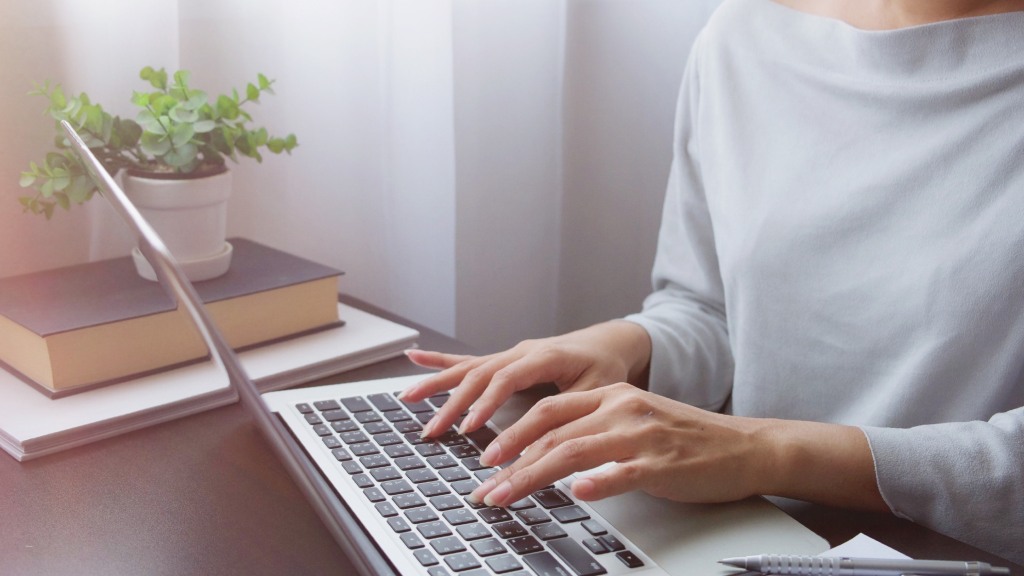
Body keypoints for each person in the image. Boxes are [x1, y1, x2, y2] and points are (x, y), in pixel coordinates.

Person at [400, 0, 1024, 563]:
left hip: (941, 550)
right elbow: (709, 305)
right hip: (742, 533)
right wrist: (624, 345)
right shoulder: (744, 35)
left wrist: (767, 451)